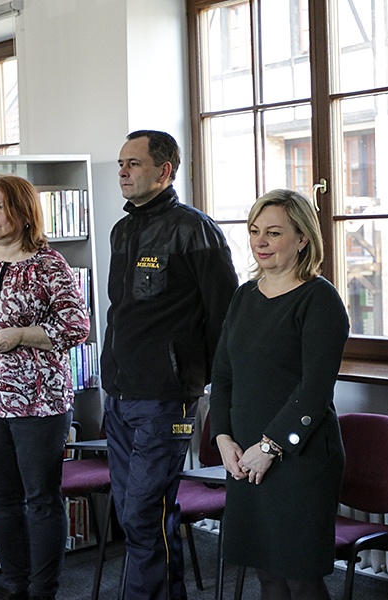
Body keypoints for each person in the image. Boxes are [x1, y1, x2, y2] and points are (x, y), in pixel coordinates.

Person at [100, 130, 238, 600]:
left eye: (133, 163)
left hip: (167, 398)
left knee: (143, 512)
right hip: (119, 395)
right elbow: (120, 313)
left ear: (165, 170)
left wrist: (218, 389)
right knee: (140, 514)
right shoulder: (122, 230)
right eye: (121, 163)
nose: (122, 171)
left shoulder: (193, 229)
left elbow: (224, 315)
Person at [0, 174, 89, 600]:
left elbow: (76, 326)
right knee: (1, 499)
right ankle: (14, 586)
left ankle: (43, 589)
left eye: (0, 206)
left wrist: (20, 335)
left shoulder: (49, 265)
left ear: (24, 211)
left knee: (41, 500)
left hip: (38, 400)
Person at [210, 189, 350, 600]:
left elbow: (314, 391)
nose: (261, 242)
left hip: (299, 459)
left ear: (303, 237)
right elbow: (223, 374)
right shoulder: (244, 296)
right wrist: (223, 439)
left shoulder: (320, 299)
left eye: (274, 232)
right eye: (255, 231)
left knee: (299, 575)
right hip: (243, 457)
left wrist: (270, 447)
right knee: (265, 573)